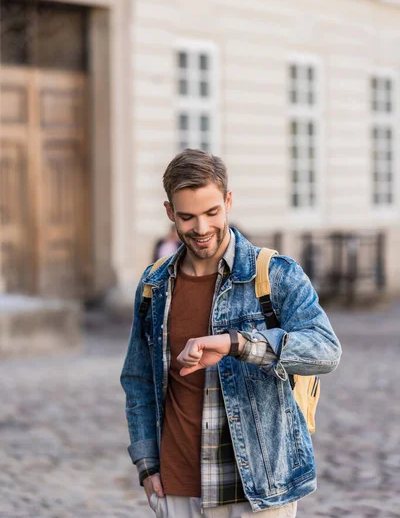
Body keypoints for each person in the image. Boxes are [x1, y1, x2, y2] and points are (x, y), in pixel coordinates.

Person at [120, 149, 342, 518]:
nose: (202, 229)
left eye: (212, 213)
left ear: (228, 201)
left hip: (258, 489)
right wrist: (146, 464)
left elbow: (325, 350)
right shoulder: (154, 284)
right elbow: (138, 378)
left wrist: (237, 343)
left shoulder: (275, 274)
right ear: (169, 212)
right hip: (177, 489)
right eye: (187, 217)